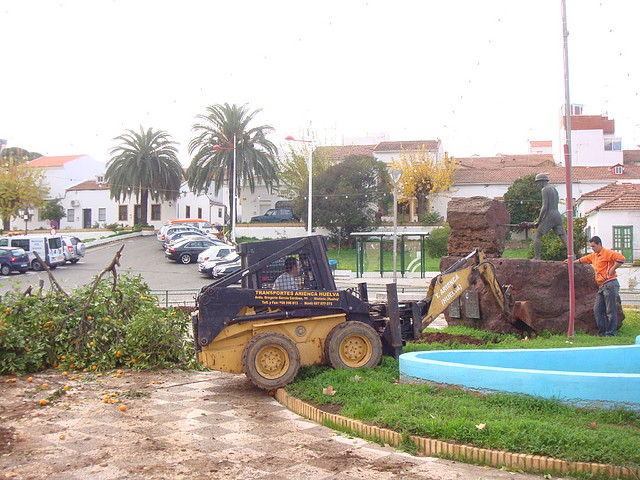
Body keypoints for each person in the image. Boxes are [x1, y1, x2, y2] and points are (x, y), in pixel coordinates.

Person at [566, 236, 625, 336]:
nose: (592, 248)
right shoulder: (594, 256)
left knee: (610, 310)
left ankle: (611, 333)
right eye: (591, 246)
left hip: (610, 283)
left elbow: (621, 258)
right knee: (597, 310)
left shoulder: (607, 253)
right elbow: (583, 259)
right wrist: (571, 262)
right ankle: (602, 332)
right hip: (601, 286)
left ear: (599, 244)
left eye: (593, 246)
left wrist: (612, 269)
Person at [533, 173, 568, 260]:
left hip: (550, 215)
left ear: (542, 181)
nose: (538, 185)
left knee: (537, 235)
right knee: (563, 236)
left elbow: (544, 207)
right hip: (557, 214)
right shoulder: (554, 189)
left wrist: (539, 220)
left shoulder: (545, 189)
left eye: (538, 182)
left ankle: (537, 257)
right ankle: (573, 255)